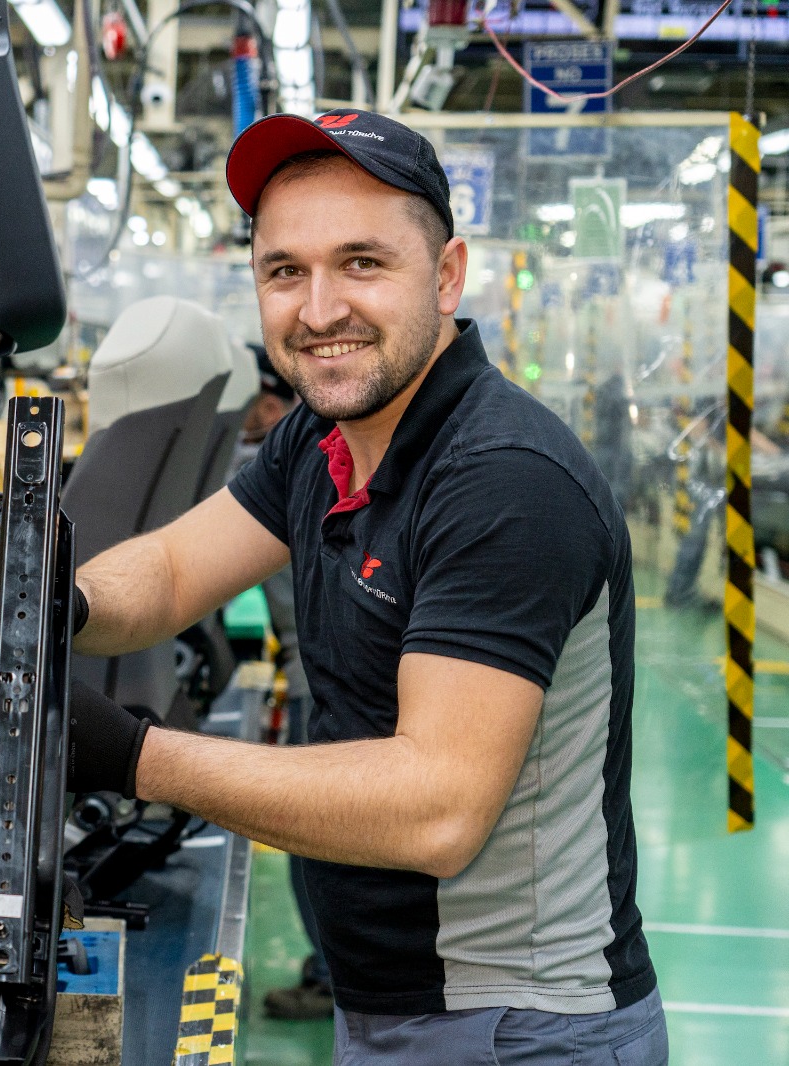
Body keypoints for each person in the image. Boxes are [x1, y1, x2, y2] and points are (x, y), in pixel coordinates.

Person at [65, 109, 665, 1064]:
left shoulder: (504, 480)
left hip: (514, 1024)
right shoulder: (326, 437)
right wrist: (59, 599)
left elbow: (435, 804)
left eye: (363, 264)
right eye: (284, 271)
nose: (318, 310)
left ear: (448, 274)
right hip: (394, 1006)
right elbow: (176, 569)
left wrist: (128, 755)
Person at [238, 345, 334, 1020]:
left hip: (317, 682)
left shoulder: (281, 463)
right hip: (313, 674)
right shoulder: (317, 454)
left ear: (271, 407)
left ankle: (332, 975)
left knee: (313, 840)